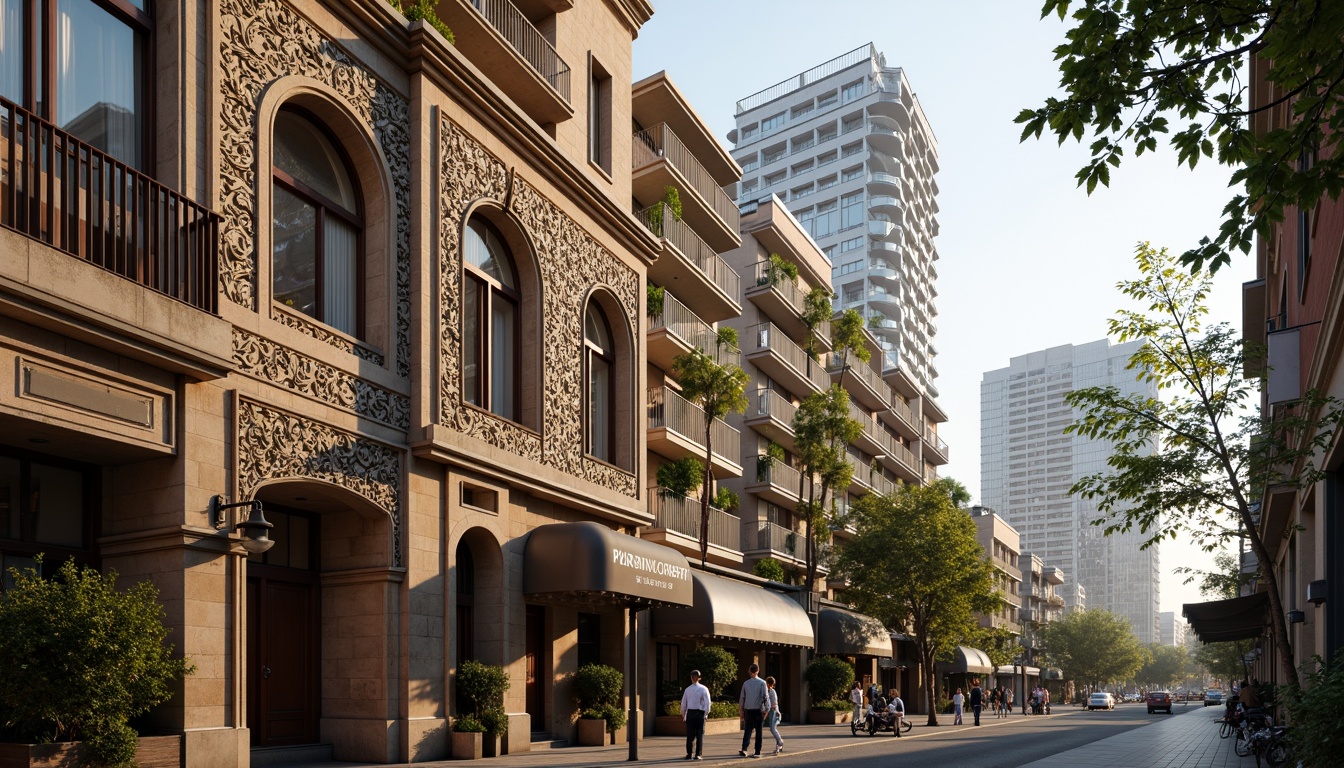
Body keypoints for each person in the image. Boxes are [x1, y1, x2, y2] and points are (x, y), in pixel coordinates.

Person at [738, 663, 768, 758]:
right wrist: (766, 710)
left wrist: (741, 709)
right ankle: (757, 751)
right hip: (758, 710)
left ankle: (744, 748)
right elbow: (765, 697)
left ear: (749, 671)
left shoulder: (746, 683)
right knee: (759, 731)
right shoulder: (762, 683)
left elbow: (742, 697)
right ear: (758, 671)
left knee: (748, 730)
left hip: (748, 710)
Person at [680, 669, 711, 761]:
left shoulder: (687, 689)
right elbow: (707, 703)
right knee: (699, 735)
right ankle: (698, 754)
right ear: (699, 678)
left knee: (690, 735)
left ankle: (689, 754)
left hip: (690, 713)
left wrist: (683, 713)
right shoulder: (704, 689)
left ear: (691, 678)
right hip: (700, 713)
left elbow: (683, 703)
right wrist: (706, 713)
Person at [765, 676, 784, 755]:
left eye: (770, 684)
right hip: (770, 711)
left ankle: (780, 742)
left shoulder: (772, 692)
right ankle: (779, 743)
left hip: (774, 712)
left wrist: (771, 710)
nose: (769, 686)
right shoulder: (767, 691)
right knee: (772, 728)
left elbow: (774, 703)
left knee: (773, 729)